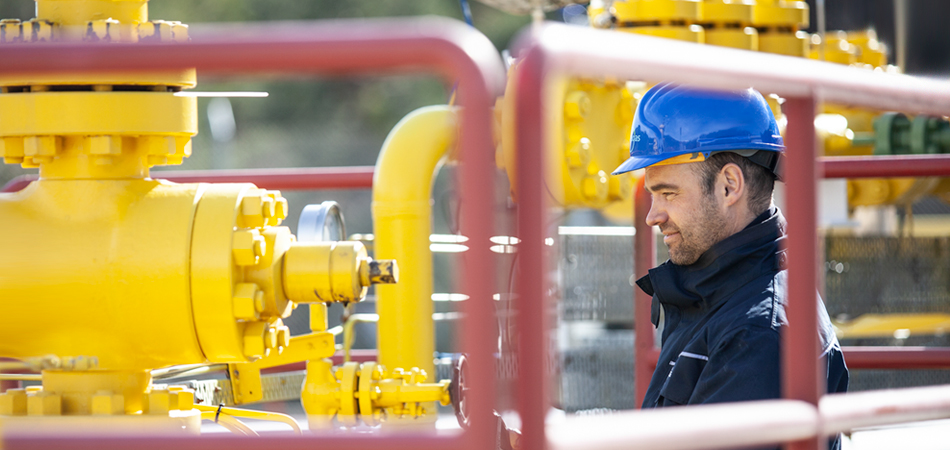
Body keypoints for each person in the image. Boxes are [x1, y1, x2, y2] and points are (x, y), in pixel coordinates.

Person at [612, 83, 849, 448]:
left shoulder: (756, 334)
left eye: (668, 193)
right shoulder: (719, 294)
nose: (653, 216)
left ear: (729, 186)